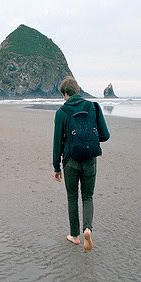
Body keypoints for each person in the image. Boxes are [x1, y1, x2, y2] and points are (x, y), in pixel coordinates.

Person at [52, 76, 110, 252]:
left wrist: (56, 167)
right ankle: (87, 229)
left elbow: (57, 143)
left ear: (65, 93)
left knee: (72, 197)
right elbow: (105, 135)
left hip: (70, 161)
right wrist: (89, 140)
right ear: (77, 90)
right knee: (87, 196)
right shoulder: (94, 107)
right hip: (90, 159)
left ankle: (74, 236)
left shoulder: (61, 112)